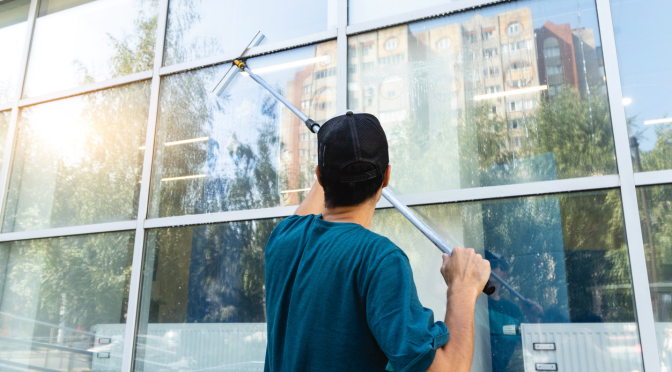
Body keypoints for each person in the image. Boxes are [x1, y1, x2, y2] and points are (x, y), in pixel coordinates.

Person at [264, 111, 492, 372]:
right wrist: (462, 287)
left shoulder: (283, 238)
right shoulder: (378, 260)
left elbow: (316, 198)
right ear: (386, 177)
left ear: (319, 175)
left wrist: (337, 151)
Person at [485, 251, 543, 372]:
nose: (487, 265)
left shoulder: (513, 311)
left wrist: (534, 321)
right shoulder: (471, 301)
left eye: (493, 264)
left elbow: (536, 350)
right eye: (485, 262)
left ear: (504, 274)